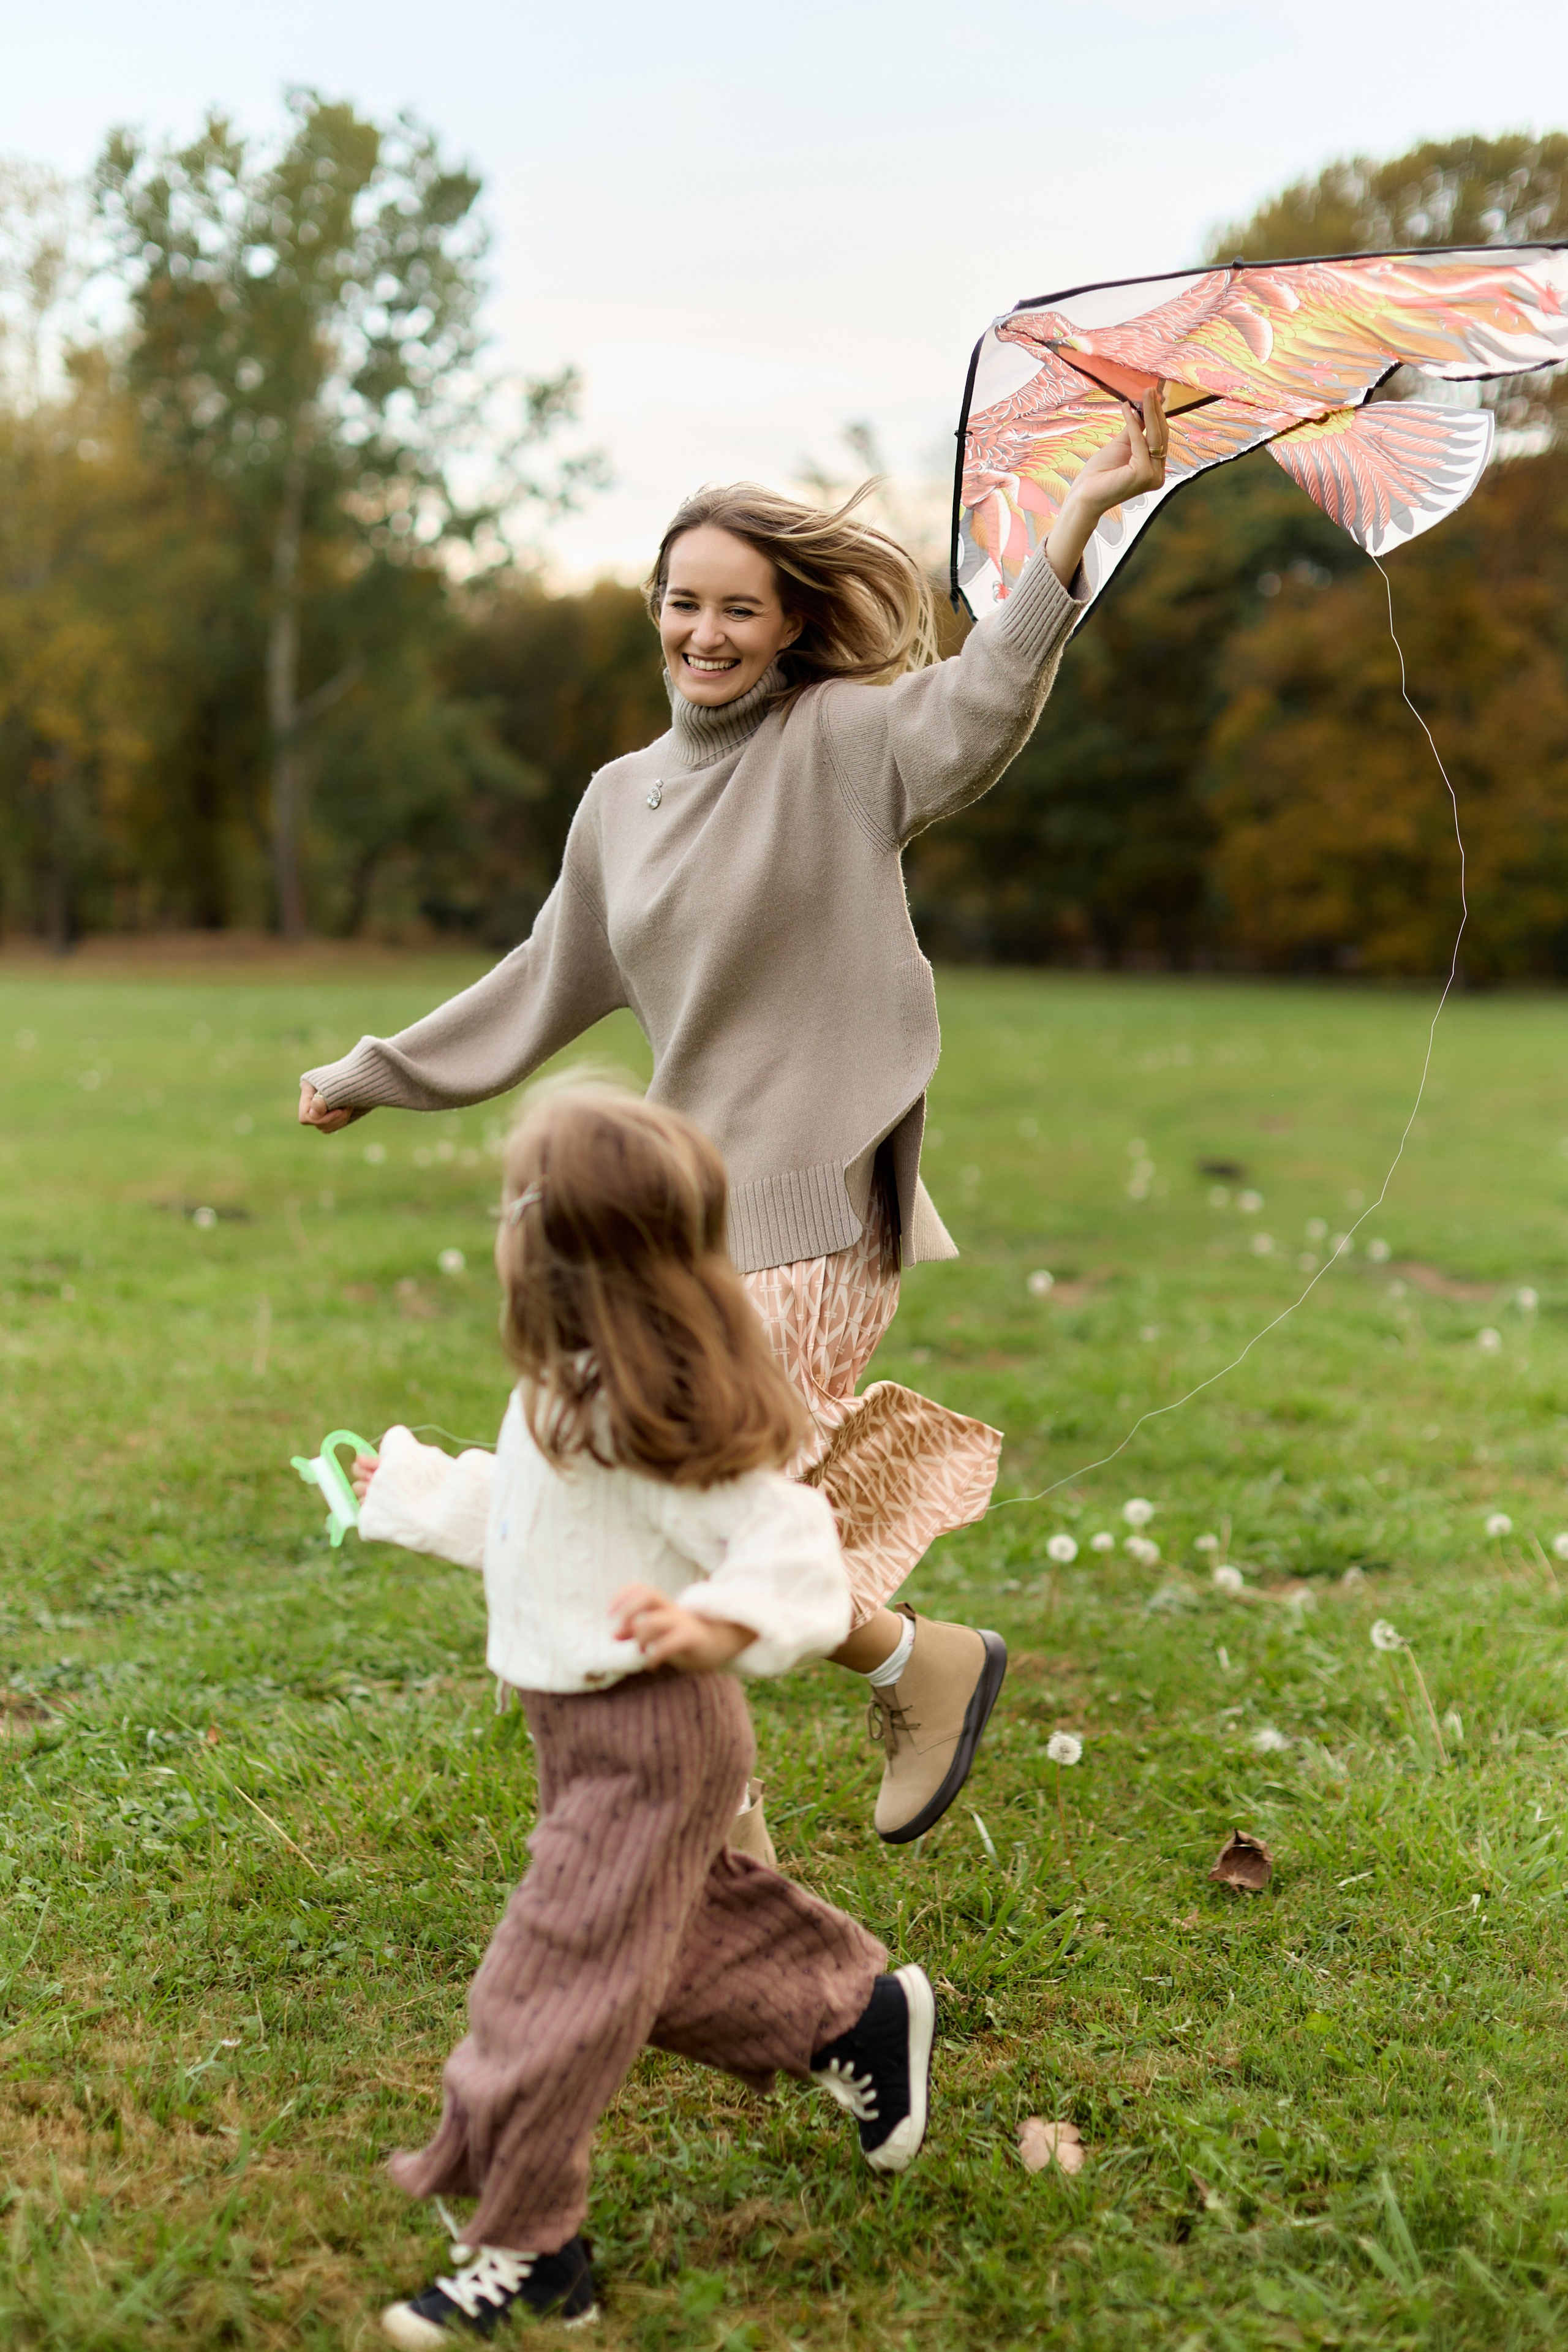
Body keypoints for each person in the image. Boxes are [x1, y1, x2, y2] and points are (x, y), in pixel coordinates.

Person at [300, 396, 1169, 1847]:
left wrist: (1075, 521)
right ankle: (911, 1670)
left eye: (738, 610)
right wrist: (376, 1070)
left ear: (788, 625)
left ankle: (728, 1859)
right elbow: (548, 974)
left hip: (819, 1201)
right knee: (669, 1499)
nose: (704, 633)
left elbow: (974, 710)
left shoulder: (839, 742)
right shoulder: (618, 800)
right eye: (682, 602)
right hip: (684, 1215)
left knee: (670, 1498)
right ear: (655, 610)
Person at [361, 1083, 936, 2345]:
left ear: (565, 1252)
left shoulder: (649, 1405)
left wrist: (720, 1621)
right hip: (579, 1739)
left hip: (652, 1740)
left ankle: (533, 2253)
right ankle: (856, 2012)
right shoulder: (565, 1386)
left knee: (546, 1992)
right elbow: (532, 1515)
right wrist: (407, 1489)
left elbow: (790, 1543)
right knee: (659, 1958)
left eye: (517, 1210)